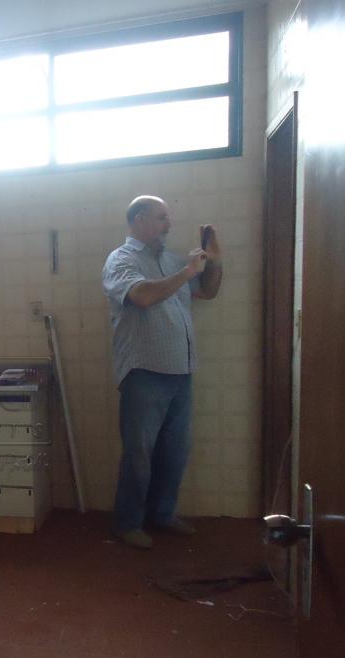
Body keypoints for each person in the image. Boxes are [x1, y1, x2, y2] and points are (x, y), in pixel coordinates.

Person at [101, 196, 222, 549]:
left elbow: (208, 291)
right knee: (139, 453)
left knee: (175, 451)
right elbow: (141, 296)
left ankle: (162, 515)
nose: (169, 225)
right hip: (144, 371)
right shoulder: (121, 259)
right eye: (162, 217)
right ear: (139, 219)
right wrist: (187, 272)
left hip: (181, 370)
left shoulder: (170, 261)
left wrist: (214, 260)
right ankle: (128, 523)